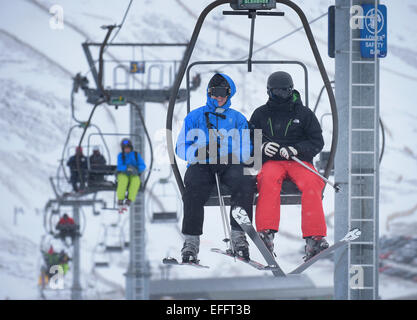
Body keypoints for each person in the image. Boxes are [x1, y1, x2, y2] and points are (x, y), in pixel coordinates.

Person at [249, 71, 329, 261]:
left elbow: (317, 141)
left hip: (298, 161)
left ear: (291, 90)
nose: (280, 95)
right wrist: (262, 146)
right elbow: (248, 139)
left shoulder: (304, 114)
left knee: (312, 182)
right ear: (269, 92)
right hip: (272, 162)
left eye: (284, 91)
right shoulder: (260, 114)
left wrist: (296, 149)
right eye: (276, 92)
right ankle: (266, 233)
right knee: (267, 180)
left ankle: (314, 238)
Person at [175, 73, 255, 263]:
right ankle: (191, 242)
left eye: (223, 94)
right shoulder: (194, 117)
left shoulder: (237, 118)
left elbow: (247, 146)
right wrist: (198, 152)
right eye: (215, 94)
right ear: (209, 93)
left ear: (230, 95)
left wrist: (232, 155)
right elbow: (180, 146)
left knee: (245, 181)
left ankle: (238, 236)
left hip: (229, 162)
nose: (219, 98)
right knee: (193, 186)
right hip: (202, 163)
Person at [116, 138, 146, 214]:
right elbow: (119, 166)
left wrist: (136, 169)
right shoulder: (121, 155)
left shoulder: (136, 155)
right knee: (123, 180)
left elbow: (142, 165)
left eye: (128, 148)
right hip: (123, 173)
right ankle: (120, 199)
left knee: (136, 181)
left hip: (133, 174)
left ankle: (129, 200)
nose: (127, 150)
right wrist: (126, 168)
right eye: (125, 148)